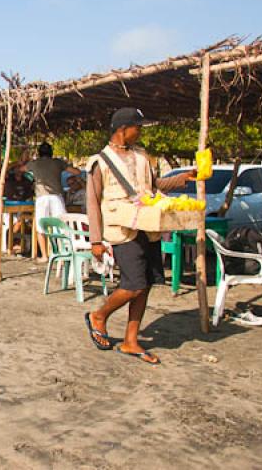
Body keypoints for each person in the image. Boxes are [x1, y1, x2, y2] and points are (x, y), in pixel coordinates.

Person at [86, 107, 194, 365]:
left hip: (148, 226)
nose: (140, 131)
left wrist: (182, 178)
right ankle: (98, 316)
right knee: (132, 285)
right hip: (121, 229)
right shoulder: (99, 161)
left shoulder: (142, 156)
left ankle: (130, 341)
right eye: (138, 127)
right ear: (123, 129)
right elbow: (92, 201)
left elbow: (154, 187)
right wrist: (96, 240)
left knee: (144, 285)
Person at [20, 142, 81, 260]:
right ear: (51, 152)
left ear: (39, 153)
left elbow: (21, 169)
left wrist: (23, 159)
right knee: (63, 226)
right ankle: (64, 252)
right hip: (56, 197)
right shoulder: (58, 163)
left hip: (41, 198)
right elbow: (76, 172)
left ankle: (44, 256)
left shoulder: (34, 163)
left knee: (40, 226)